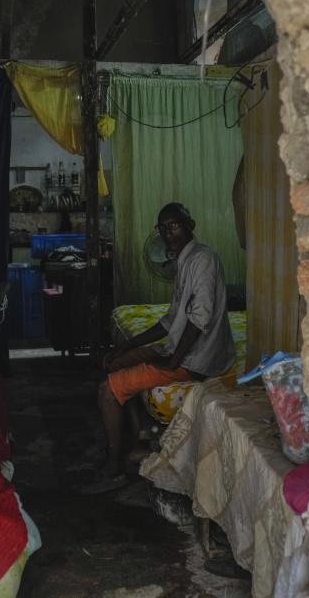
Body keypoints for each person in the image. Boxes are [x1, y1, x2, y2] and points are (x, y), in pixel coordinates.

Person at [88, 202, 235, 492]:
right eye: (163, 228)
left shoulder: (202, 260)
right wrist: (126, 345)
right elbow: (170, 321)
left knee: (106, 390)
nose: (169, 233)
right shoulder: (184, 261)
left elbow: (200, 317)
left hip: (196, 359)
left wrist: (173, 362)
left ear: (190, 225)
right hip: (177, 349)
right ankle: (137, 437)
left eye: (175, 225)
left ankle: (115, 464)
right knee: (114, 363)